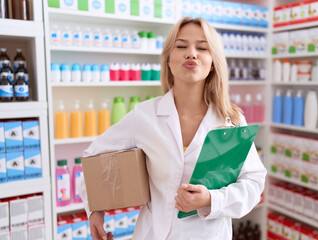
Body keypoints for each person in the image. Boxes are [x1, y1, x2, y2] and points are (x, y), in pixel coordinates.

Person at [79, 17, 267, 240]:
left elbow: (253, 183)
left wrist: (210, 199)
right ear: (168, 59)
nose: (191, 53)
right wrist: (96, 208)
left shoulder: (231, 120)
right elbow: (93, 156)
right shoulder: (145, 116)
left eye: (202, 47)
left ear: (213, 62)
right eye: (181, 46)